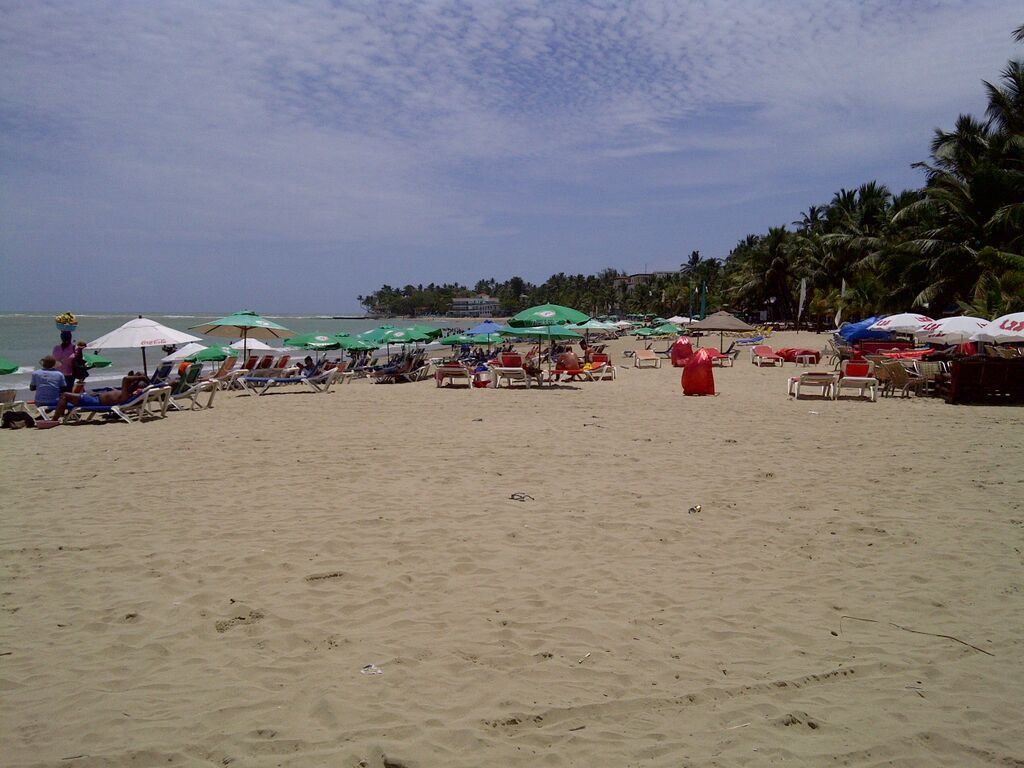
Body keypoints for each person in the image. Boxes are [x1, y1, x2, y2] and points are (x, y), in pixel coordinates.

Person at [52, 373, 151, 420]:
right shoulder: (127, 394)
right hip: (95, 397)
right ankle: (59, 413)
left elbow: (126, 379)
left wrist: (141, 377)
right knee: (65, 397)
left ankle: (54, 420)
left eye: (134, 383)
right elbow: (130, 380)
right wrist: (140, 376)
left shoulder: (126, 395)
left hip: (94, 401)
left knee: (64, 395)